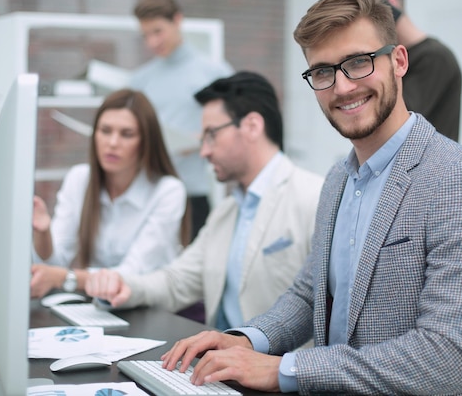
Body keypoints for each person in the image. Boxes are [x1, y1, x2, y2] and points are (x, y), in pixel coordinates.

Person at [156, 0, 462, 395]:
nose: (341, 87)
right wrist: (247, 340)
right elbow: (310, 295)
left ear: (398, 61)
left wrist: (284, 370)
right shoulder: (339, 179)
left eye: (358, 62)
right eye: (323, 72)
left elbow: (448, 358)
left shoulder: (461, 180)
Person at [85, 71, 324, 330]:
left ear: (252, 126)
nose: (204, 151)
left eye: (211, 135)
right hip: (218, 361)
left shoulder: (314, 198)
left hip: (275, 366)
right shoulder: (226, 213)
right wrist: (123, 286)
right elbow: (176, 282)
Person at [30, 89, 191, 298]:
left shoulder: (168, 191)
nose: (112, 143)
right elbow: (53, 265)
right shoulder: (80, 179)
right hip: (98, 306)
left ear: (146, 142)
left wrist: (64, 278)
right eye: (105, 131)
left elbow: (131, 273)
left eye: (127, 134)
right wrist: (43, 233)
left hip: (149, 307)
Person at [129, 0, 234, 239]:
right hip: (147, 192)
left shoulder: (213, 72)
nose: (152, 42)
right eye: (146, 36)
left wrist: (204, 138)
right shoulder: (139, 80)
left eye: (158, 31)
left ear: (177, 20)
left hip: (193, 193)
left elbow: (234, 122)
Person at [341, 0, 462, 141]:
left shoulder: (435, 58)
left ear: (391, 6)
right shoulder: (386, 55)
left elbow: (391, 121)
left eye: (362, 10)